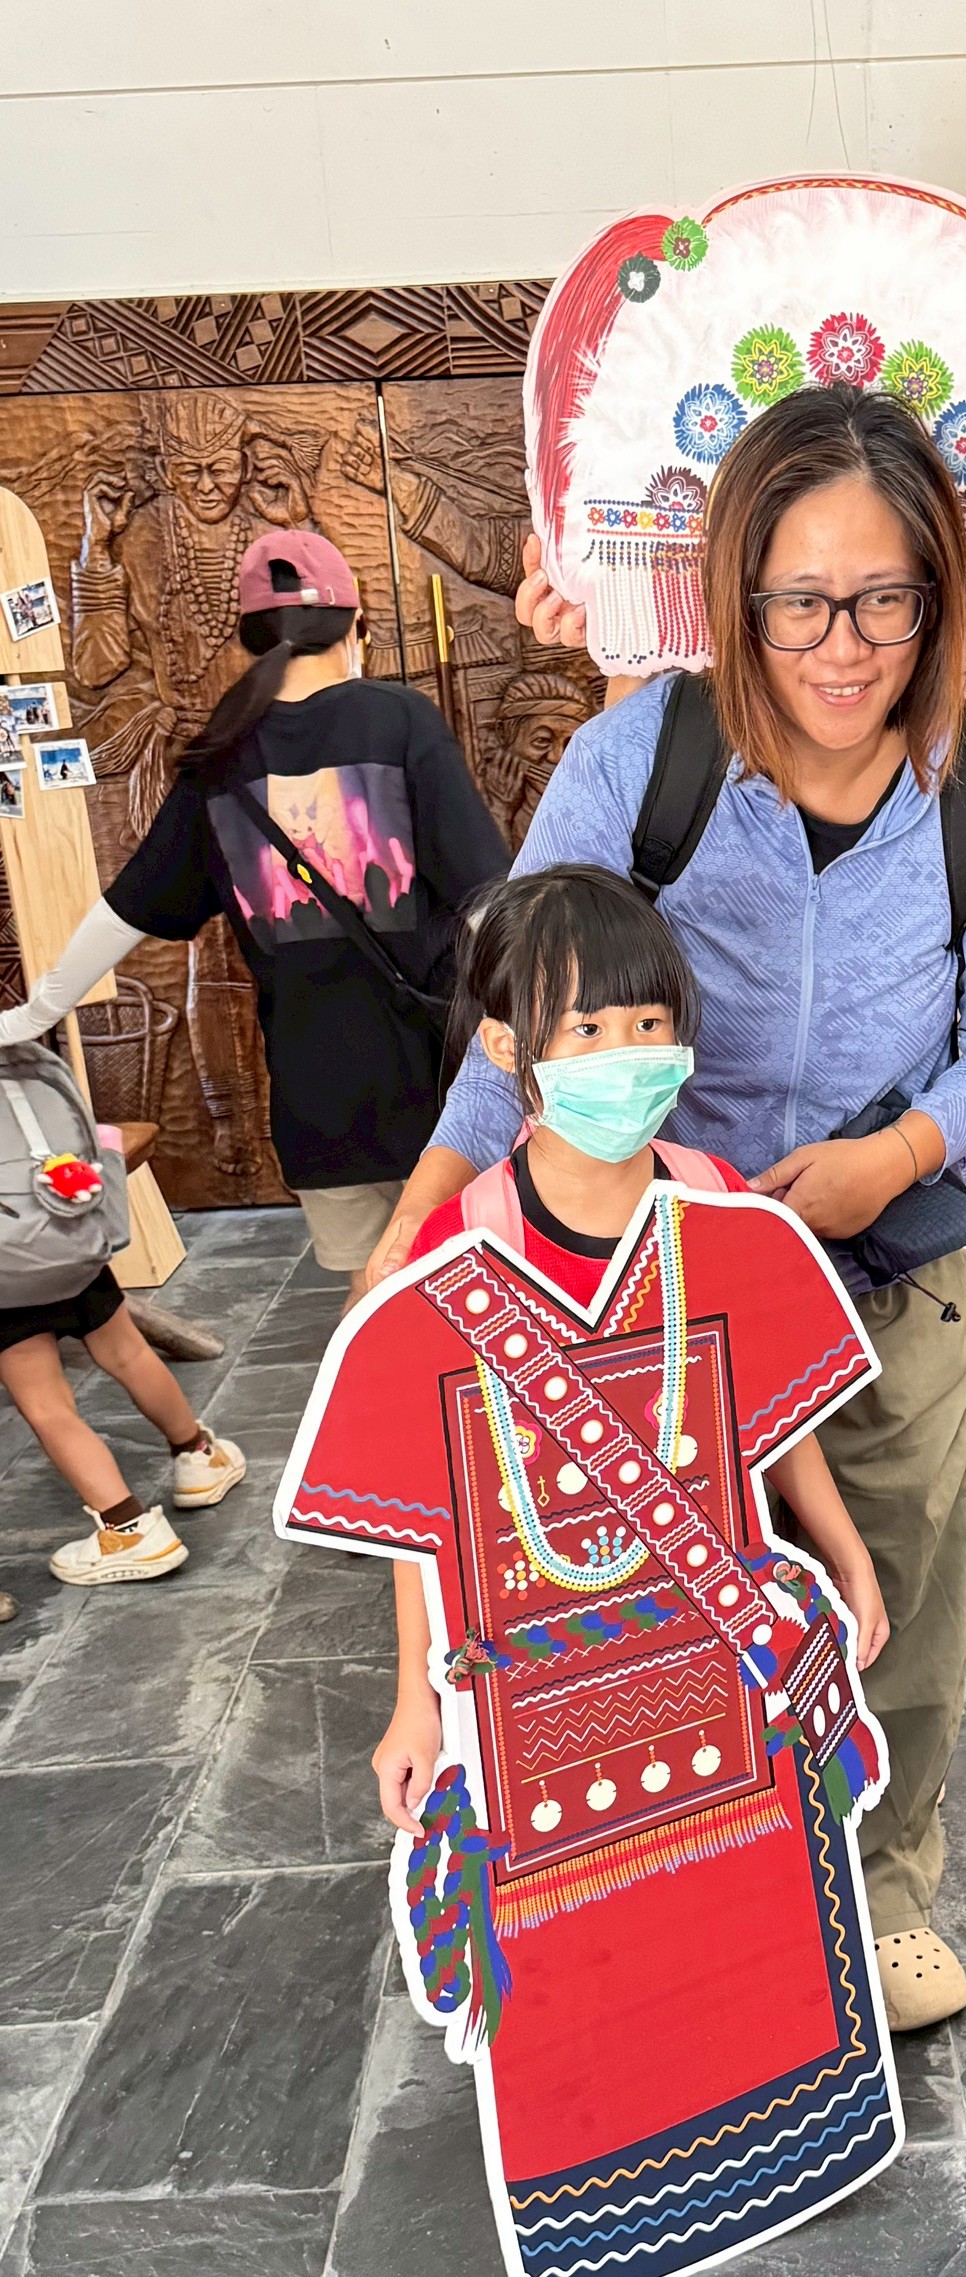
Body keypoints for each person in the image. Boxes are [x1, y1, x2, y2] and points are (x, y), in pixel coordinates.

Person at [365, 383, 966, 2032]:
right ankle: (693, 1898)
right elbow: (524, 1014)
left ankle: (884, 1890)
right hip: (647, 1279)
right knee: (659, 1604)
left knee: (899, 1585)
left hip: (889, 1266)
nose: (844, 647)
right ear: (737, 593)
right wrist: (425, 1215)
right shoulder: (644, 762)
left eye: (887, 600)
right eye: (800, 602)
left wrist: (896, 1156)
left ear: (938, 598)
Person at [374, 861, 889, 1829]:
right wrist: (418, 1695)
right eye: (587, 1029)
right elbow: (426, 1501)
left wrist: (844, 1551)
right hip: (541, 1654)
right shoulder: (460, 1246)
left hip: (715, 1627)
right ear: (504, 1045)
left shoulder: (719, 1202)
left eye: (650, 1022)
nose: (627, 1053)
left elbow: (768, 1410)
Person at [0, 529, 511, 1303]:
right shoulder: (400, 720)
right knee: (476, 1286)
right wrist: (538, 1022)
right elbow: (490, 901)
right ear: (358, 623)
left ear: (251, 636)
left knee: (370, 1295)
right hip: (440, 1077)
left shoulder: (220, 757)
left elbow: (126, 909)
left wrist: (36, 1012)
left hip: (318, 1093)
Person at [0, 1265, 243, 1586]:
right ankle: (200, 1456)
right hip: (61, 1251)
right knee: (129, 1354)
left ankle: (128, 1529)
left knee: (46, 1405)